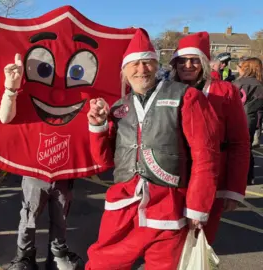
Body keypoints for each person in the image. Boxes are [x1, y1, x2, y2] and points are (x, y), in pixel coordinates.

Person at [85, 29, 221, 270]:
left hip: (169, 206)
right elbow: (104, 160)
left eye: (147, 62)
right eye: (135, 64)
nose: (141, 69)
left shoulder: (187, 97)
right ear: (124, 70)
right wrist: (97, 125)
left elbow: (205, 155)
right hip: (123, 205)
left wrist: (197, 207)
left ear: (156, 64)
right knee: (102, 263)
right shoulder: (119, 107)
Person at [0, 55, 84, 270]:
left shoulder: (72, 94)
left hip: (64, 168)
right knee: (29, 215)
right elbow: (5, 119)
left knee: (61, 214)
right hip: (34, 167)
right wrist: (11, 89)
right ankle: (24, 255)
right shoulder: (29, 94)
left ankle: (57, 253)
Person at [170, 32, 250, 244]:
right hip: (171, 177)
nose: (187, 65)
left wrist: (233, 189)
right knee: (169, 244)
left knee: (199, 242)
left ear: (204, 63)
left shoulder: (225, 91)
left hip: (213, 177)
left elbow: (240, 143)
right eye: (182, 60)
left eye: (194, 60)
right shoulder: (166, 91)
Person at [234, 57, 263, 185]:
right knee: (247, 148)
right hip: (253, 119)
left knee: (237, 149)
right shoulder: (260, 84)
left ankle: (239, 177)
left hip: (239, 118)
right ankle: (249, 176)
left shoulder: (241, 83)